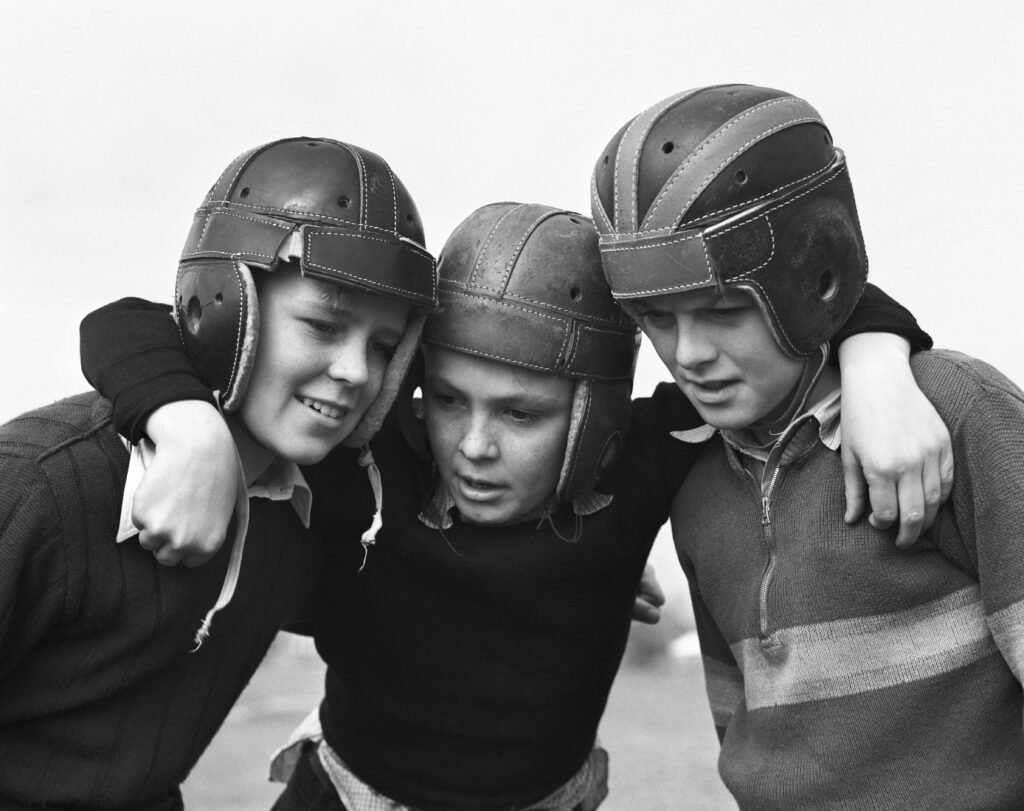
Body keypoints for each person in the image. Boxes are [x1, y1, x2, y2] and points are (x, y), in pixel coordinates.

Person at [79, 194, 939, 809]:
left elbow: (807, 304)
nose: (475, 445)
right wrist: (186, 424)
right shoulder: (379, 453)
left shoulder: (633, 466)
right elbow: (124, 322)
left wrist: (876, 366)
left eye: (521, 414)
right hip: (341, 793)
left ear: (596, 415)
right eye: (448, 399)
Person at [591, 83, 1024, 807]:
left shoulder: (953, 410)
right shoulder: (692, 480)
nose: (687, 353)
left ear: (814, 278)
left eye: (724, 311)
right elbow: (741, 729)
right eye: (657, 320)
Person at [0, 136, 438, 810]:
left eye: (383, 348)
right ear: (226, 305)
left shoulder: (309, 510)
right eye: (323, 325)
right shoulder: (42, 487)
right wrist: (190, 425)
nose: (356, 373)